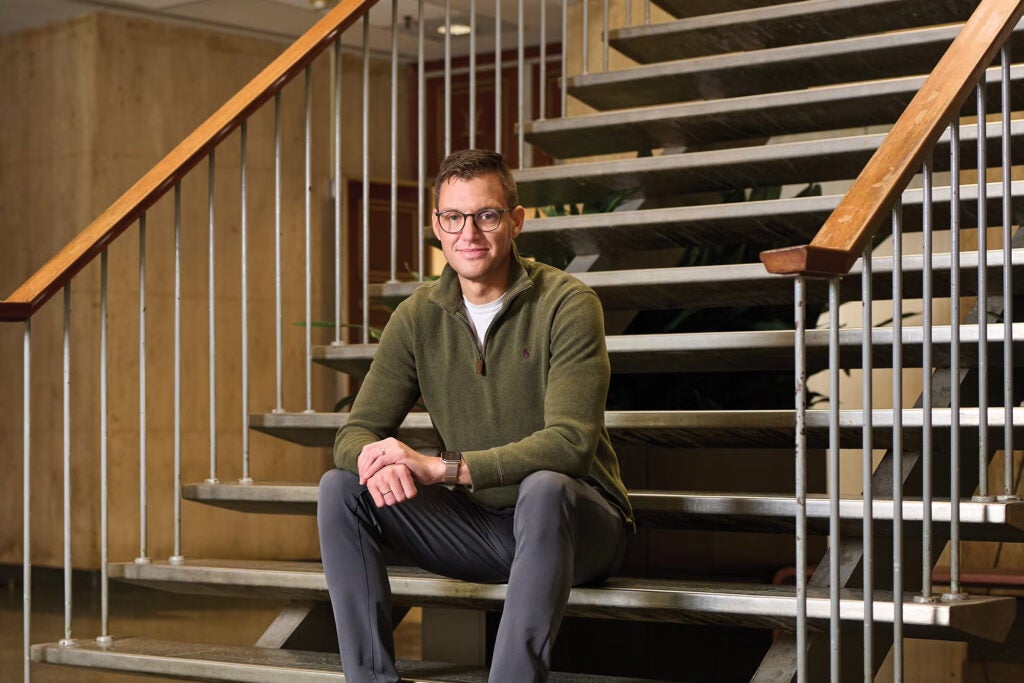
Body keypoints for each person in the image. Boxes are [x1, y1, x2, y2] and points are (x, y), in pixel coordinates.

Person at [317, 149, 633, 683]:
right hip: (481, 528)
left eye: (486, 216)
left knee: (545, 487)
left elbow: (570, 444)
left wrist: (440, 468)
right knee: (339, 489)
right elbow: (356, 431)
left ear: (515, 220)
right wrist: (377, 459)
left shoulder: (568, 303)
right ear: (437, 227)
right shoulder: (417, 318)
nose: (469, 233)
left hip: (578, 527)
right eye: (453, 217)